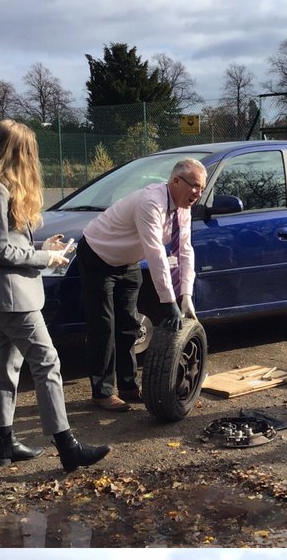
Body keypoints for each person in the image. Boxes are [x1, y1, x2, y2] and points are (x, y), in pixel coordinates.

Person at [0, 120, 109, 473]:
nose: (34, 159)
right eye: (30, 151)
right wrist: (47, 259)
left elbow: (6, 245)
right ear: (16, 153)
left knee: (6, 366)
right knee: (48, 363)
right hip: (11, 297)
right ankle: (67, 446)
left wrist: (43, 246)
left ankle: (3, 445)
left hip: (9, 295)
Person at [76, 157, 207, 409]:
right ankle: (102, 392)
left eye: (201, 189)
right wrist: (168, 300)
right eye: (194, 186)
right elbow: (155, 251)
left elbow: (185, 250)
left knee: (129, 325)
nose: (198, 194)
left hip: (127, 260)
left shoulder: (183, 208)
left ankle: (127, 387)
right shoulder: (151, 202)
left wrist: (186, 295)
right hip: (98, 255)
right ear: (176, 181)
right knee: (103, 325)